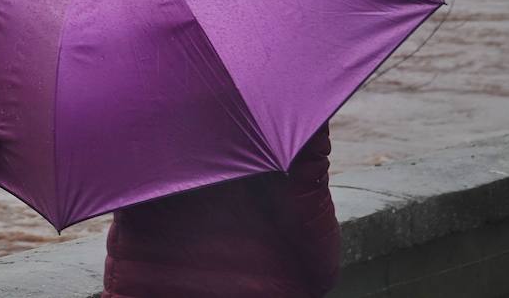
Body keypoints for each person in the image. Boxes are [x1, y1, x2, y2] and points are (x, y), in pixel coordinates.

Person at [102, 123, 340, 298]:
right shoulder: (281, 87)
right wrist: (324, 270)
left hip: (141, 285)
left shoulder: (121, 85)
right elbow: (305, 205)